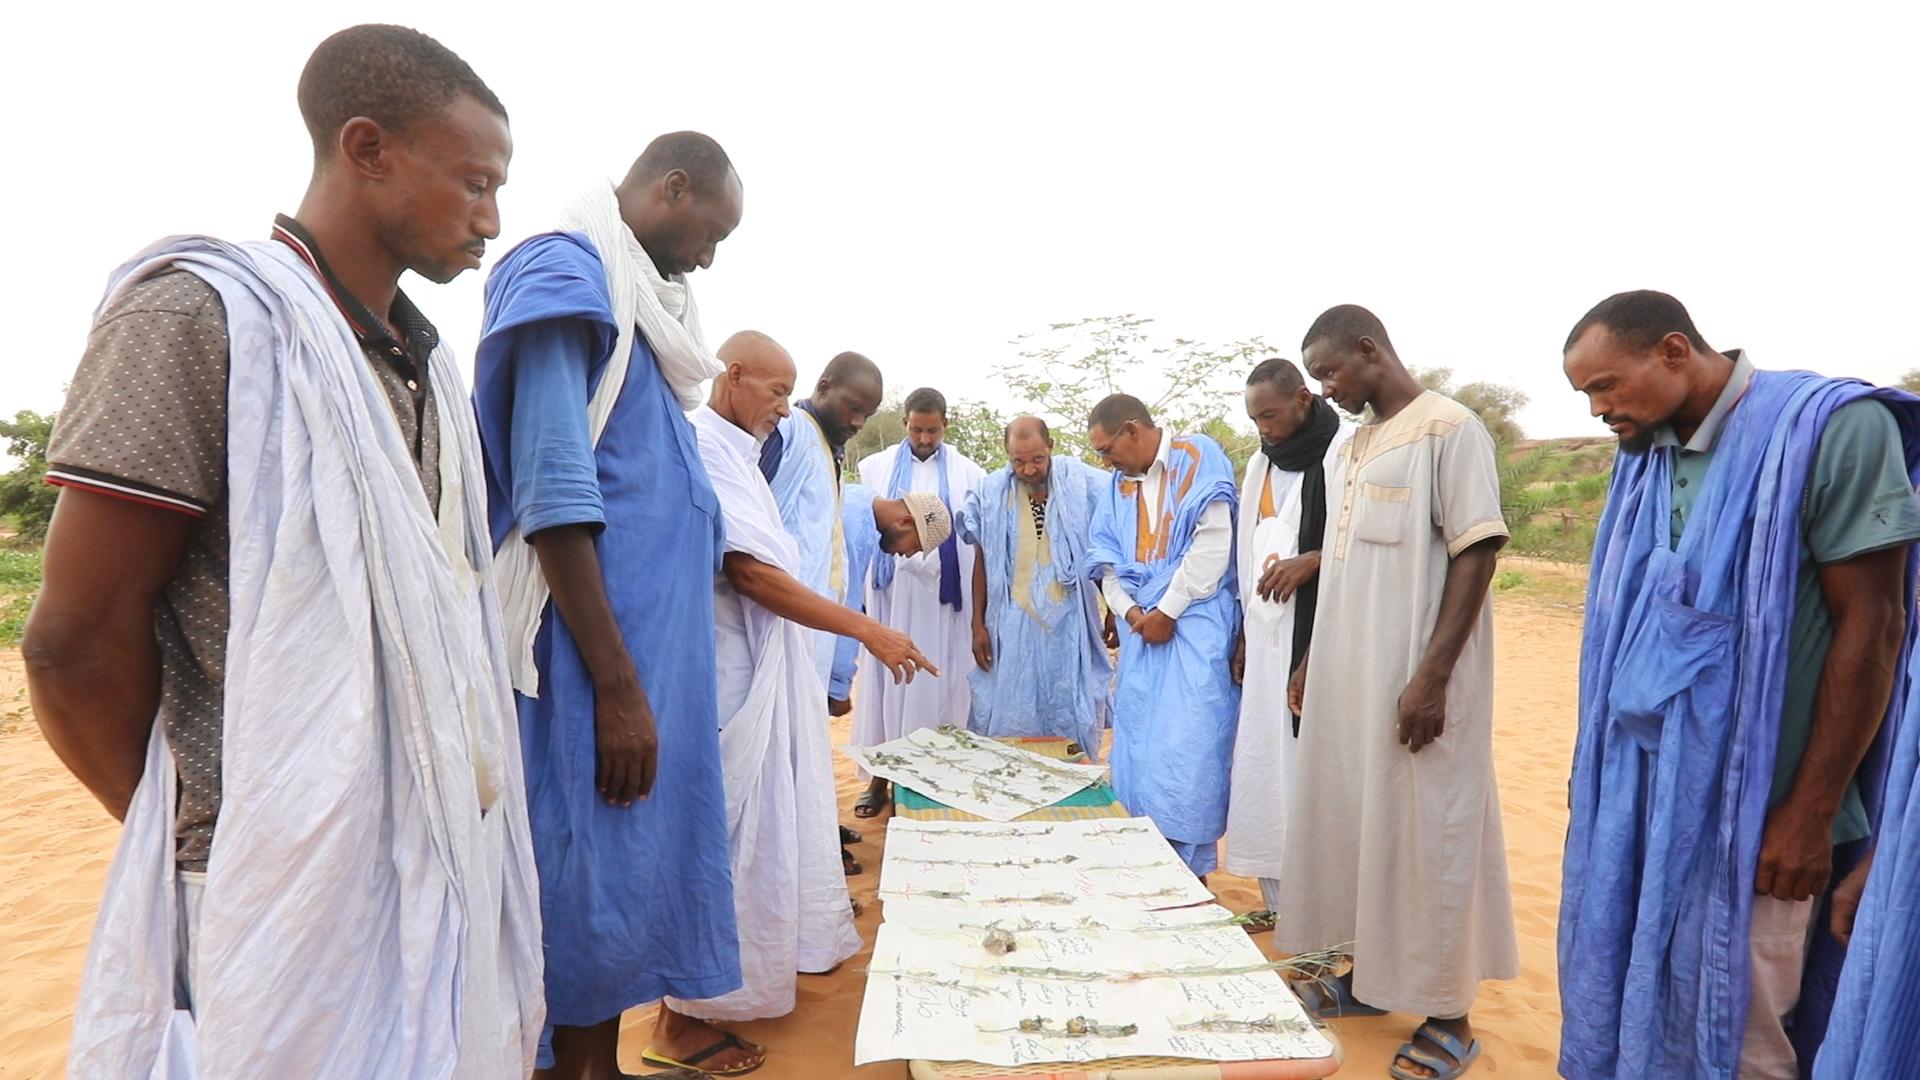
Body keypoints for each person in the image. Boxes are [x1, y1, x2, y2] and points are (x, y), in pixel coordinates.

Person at [24, 25, 542, 1077]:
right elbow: (72, 648)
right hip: (262, 881)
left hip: (431, 857)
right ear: (367, 148)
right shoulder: (199, 316)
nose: (492, 220)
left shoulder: (424, 363)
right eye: (476, 184)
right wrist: (227, 833)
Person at [1557, 291, 1920, 1080]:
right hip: (1647, 808)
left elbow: (1876, 626)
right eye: (1586, 395)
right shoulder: (1649, 457)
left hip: (1766, 819)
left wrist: (1810, 816)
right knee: (1641, 1008)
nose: (1599, 410)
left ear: (1675, 351)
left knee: (1746, 1038)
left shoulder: (1829, 429)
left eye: (1606, 386)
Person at [473, 132, 761, 1079]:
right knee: (584, 877)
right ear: (670, 188)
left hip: (641, 664)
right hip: (586, 666)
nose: (710, 257)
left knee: (625, 869)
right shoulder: (566, 271)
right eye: (710, 231)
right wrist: (618, 688)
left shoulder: (640, 301)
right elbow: (556, 489)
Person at [667, 331, 935, 1035]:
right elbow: (752, 573)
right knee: (731, 829)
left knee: (774, 821)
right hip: (729, 672)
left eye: (788, 395)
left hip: (771, 663)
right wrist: (865, 631)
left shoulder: (748, 453)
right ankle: (708, 1000)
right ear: (732, 376)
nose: (783, 409)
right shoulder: (704, 443)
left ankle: (765, 964)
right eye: (776, 391)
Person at [1274, 305, 1517, 1080]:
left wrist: (1433, 676)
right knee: (1358, 827)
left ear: (1369, 350)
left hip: (1418, 682)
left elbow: (1476, 551)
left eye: (1331, 372)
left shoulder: (1449, 429)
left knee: (1428, 836)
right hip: (1349, 678)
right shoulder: (1353, 445)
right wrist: (1313, 657)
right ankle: (1369, 982)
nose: (1328, 389)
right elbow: (1343, 571)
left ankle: (1450, 1016)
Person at [1085, 394, 1240, 876]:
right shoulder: (1118, 485)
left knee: (1189, 744)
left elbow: (1213, 544)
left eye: (1107, 449)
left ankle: (1189, 872)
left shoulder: (1197, 457)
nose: (1104, 461)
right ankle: (1145, 862)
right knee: (1139, 743)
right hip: (1141, 632)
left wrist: (1168, 610)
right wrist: (1131, 612)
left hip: (1195, 624)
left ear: (1132, 430)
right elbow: (1104, 557)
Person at [1223, 358, 1355, 914]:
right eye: (1255, 420)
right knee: (1264, 764)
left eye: (1271, 416)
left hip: (1319, 635)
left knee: (1307, 772)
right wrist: (1245, 635)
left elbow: (1363, 538)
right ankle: (1277, 904)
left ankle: (1317, 909)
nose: (1265, 430)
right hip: (1266, 633)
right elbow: (1248, 551)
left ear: (1303, 399)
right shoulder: (1260, 464)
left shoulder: (1345, 451)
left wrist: (1315, 561)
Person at [851, 387, 985, 817]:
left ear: (945, 425)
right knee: (884, 685)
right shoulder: (875, 467)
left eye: (932, 430)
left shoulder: (970, 474)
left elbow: (974, 542)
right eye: (916, 429)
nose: (924, 438)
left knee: (939, 682)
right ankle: (881, 778)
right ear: (905, 422)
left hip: (944, 602)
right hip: (891, 596)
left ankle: (936, 776)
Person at [960, 416, 1114, 756]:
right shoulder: (989, 494)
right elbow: (982, 561)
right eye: (1019, 461)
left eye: (1036, 460)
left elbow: (1102, 549)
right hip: (1011, 628)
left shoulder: (1083, 484)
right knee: (1011, 716)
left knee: (1072, 712)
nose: (1028, 469)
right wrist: (977, 625)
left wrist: (1112, 609)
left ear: (1051, 448)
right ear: (1007, 455)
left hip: (1070, 625)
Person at [759, 351, 886, 687]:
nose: (859, 423)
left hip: (811, 628)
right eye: (854, 408)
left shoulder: (828, 449)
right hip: (771, 619)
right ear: (824, 387)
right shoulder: (789, 430)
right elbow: (750, 523)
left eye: (867, 415)